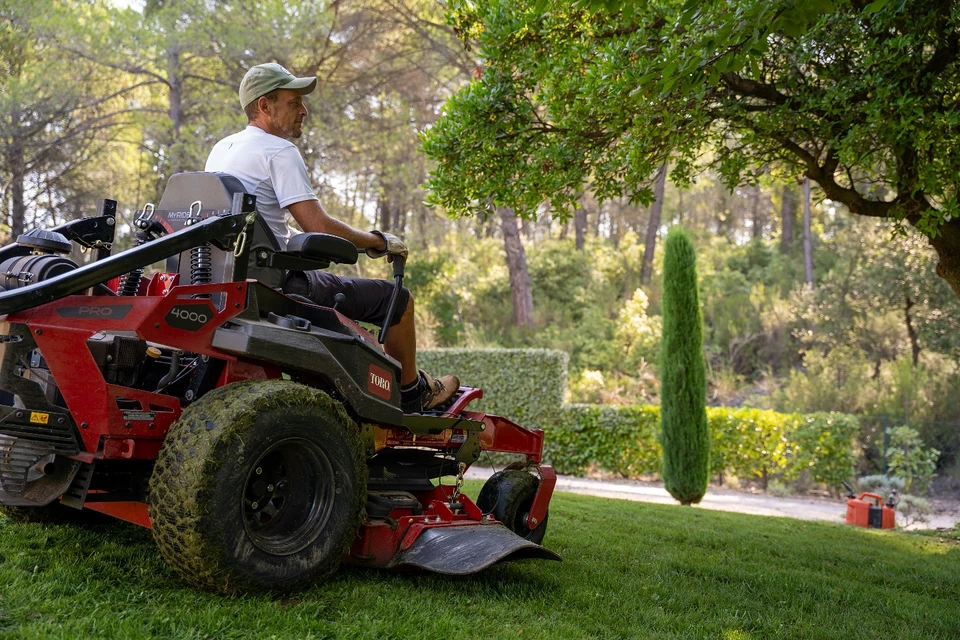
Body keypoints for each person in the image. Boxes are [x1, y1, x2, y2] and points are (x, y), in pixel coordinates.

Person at [205, 62, 458, 413]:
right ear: (265, 106)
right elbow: (319, 227)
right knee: (397, 301)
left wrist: (284, 235)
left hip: (228, 284)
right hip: (277, 287)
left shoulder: (223, 149)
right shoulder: (279, 151)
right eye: (294, 102)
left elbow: (252, 221)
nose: (304, 111)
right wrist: (376, 241)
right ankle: (413, 394)